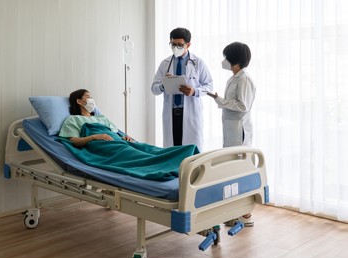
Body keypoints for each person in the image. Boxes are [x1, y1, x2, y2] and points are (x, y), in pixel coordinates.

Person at [58, 89, 199, 182]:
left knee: (147, 149)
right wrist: (95, 137)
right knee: (135, 155)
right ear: (79, 101)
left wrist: (124, 137)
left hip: (118, 142)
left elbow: (116, 132)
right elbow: (75, 141)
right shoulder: (73, 119)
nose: (92, 100)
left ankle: (188, 155)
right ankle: (175, 166)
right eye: (88, 97)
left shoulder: (101, 118)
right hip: (103, 147)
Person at [207, 42, 256, 226]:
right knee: (230, 169)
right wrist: (220, 100)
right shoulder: (235, 77)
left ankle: (245, 214)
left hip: (238, 130)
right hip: (230, 129)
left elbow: (243, 106)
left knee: (239, 170)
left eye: (226, 57)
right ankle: (234, 211)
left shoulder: (244, 79)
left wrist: (220, 100)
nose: (224, 61)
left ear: (235, 61)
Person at [151, 27, 213, 152]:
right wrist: (164, 84)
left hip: (191, 113)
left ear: (188, 45)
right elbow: (154, 89)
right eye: (173, 44)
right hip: (172, 113)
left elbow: (209, 86)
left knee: (191, 153)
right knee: (173, 151)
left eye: (180, 45)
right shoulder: (165, 63)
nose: (176, 48)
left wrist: (194, 91)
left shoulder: (198, 63)